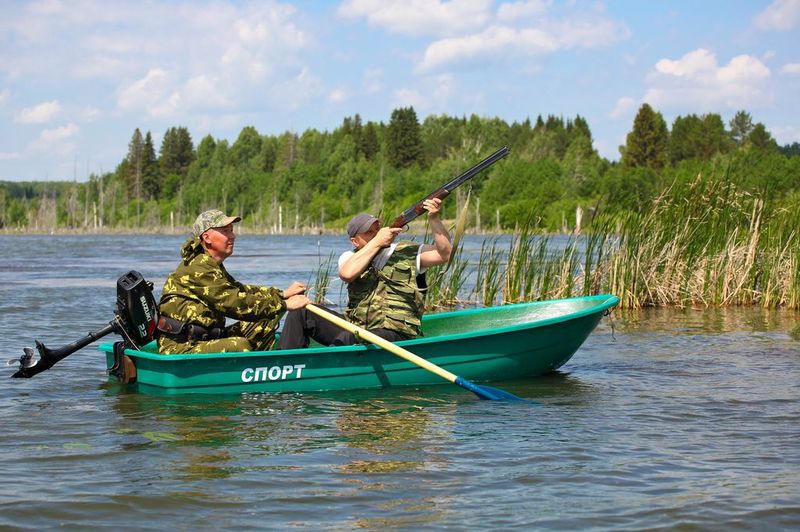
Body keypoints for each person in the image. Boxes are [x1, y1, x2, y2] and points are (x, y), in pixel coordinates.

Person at [276, 197, 451, 349]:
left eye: (377, 229)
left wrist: (434, 218)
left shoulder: (406, 251)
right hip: (357, 327)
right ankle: (285, 364)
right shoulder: (349, 257)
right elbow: (347, 273)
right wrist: (377, 243)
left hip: (394, 333)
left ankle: (334, 366)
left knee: (350, 339)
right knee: (301, 311)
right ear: (355, 241)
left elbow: (444, 254)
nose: (375, 234)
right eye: (368, 232)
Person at [157, 209, 310, 354]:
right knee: (239, 345)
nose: (233, 236)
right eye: (226, 231)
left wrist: (282, 294)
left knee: (263, 322)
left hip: (205, 338)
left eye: (231, 230)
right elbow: (235, 303)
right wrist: (284, 305)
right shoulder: (198, 267)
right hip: (180, 347)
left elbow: (239, 290)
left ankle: (264, 368)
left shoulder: (210, 264)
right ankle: (260, 371)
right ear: (207, 238)